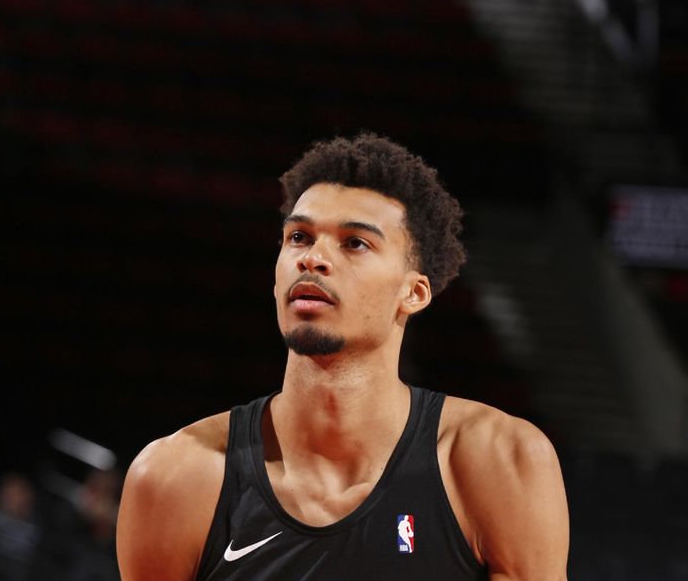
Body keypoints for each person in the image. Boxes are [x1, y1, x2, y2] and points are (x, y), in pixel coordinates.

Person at [117, 133, 569, 580]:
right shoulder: (176, 477)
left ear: (413, 293)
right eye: (298, 236)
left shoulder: (497, 460)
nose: (313, 258)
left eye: (355, 243)